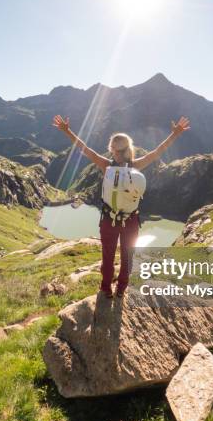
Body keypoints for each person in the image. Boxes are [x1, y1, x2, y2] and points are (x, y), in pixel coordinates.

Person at [52, 114, 191, 298]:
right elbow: (157, 152)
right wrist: (175, 134)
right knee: (127, 258)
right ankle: (121, 290)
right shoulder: (136, 165)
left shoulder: (106, 165)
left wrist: (67, 131)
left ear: (114, 150)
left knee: (107, 258)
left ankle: (105, 289)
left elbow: (85, 149)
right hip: (131, 220)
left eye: (112, 149)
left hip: (109, 220)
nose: (111, 153)